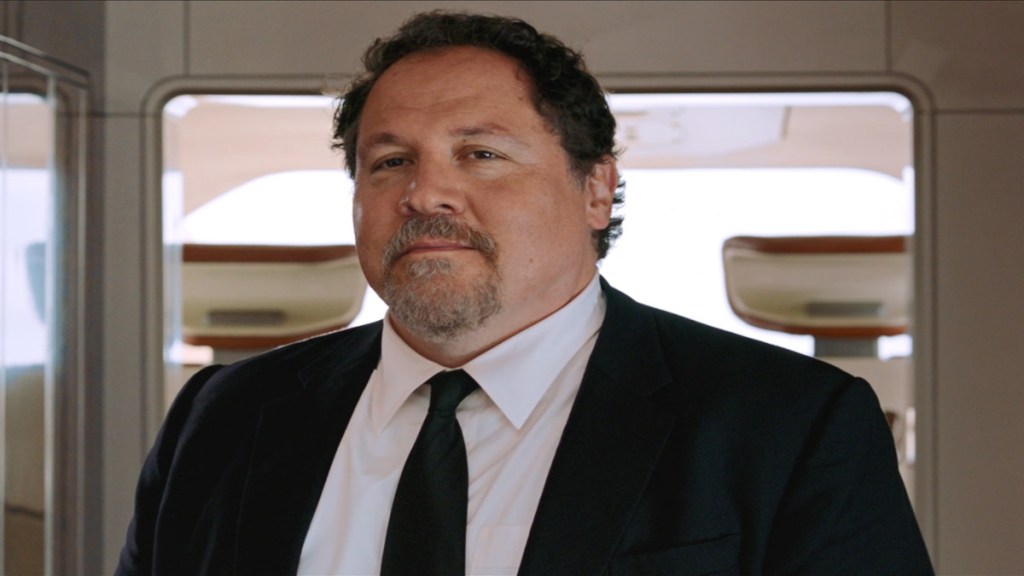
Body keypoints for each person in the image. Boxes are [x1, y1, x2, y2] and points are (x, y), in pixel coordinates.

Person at [116, 10, 933, 575]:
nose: (426, 193)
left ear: (597, 189)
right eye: (390, 161)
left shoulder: (786, 425)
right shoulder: (223, 419)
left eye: (480, 154)